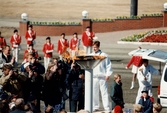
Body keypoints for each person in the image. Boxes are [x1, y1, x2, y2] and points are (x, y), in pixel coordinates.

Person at [90, 41, 113, 112]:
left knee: (104, 93)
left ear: (99, 47)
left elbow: (108, 65)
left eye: (95, 47)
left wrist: (108, 74)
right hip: (94, 76)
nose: (94, 48)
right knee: (94, 92)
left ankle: (107, 108)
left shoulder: (104, 55)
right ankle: (95, 106)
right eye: (93, 47)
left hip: (102, 76)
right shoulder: (90, 55)